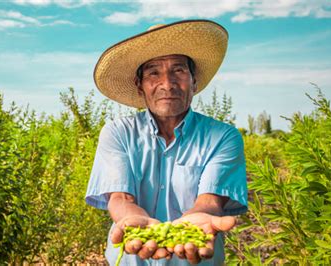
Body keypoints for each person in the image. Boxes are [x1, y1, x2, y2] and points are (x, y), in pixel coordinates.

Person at [85, 20, 248, 265]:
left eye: (179, 70)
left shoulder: (223, 136)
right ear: (140, 86)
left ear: (194, 82)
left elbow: (210, 201)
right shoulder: (118, 133)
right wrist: (131, 219)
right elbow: (120, 198)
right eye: (153, 73)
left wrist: (199, 217)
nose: (167, 83)